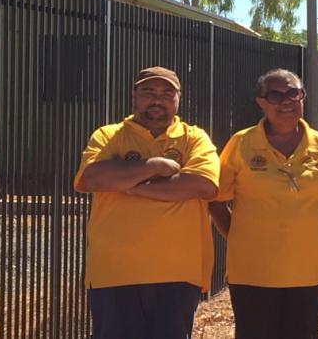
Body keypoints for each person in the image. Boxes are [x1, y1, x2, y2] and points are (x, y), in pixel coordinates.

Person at [73, 66, 220, 339]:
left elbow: (203, 185)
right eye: (148, 92)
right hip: (114, 273)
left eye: (166, 93)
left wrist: (129, 185)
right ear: (134, 96)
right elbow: (91, 179)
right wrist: (153, 166)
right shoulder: (108, 135)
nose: (157, 99)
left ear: (178, 98)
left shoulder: (194, 138)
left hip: (177, 273)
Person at [209, 68, 318, 339]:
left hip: (309, 271)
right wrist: (240, 238)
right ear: (261, 102)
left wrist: (309, 240)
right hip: (253, 271)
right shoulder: (241, 143)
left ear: (302, 97)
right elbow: (216, 202)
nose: (287, 101)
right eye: (276, 94)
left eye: (294, 93)